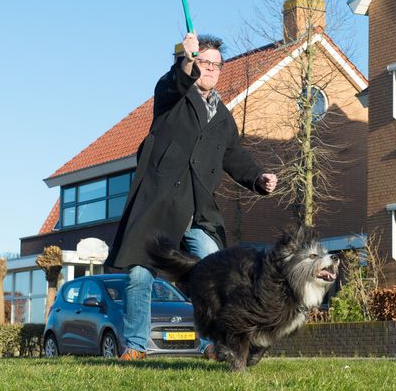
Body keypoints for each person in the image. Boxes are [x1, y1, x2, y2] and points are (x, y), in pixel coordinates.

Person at [105, 32, 278, 360]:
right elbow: (174, 83)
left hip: (199, 209)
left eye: (216, 64)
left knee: (214, 272)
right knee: (140, 274)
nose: (210, 68)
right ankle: (136, 346)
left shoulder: (223, 116)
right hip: (159, 205)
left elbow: (234, 156)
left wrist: (258, 177)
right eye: (204, 62)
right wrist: (186, 60)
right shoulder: (172, 97)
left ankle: (211, 344)